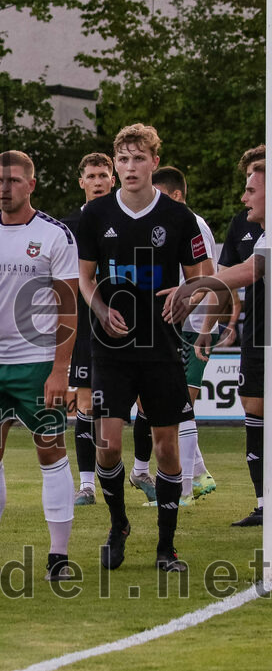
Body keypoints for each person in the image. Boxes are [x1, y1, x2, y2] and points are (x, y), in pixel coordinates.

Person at [78, 124, 209, 573]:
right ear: (115, 164)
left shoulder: (179, 217)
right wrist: (100, 309)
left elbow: (203, 276)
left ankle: (166, 548)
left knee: (167, 449)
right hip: (111, 348)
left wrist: (188, 296)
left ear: (154, 162)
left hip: (161, 348)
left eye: (139, 158)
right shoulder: (96, 215)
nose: (130, 167)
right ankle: (118, 525)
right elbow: (85, 278)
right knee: (107, 445)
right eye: (123, 159)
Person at [0, 151, 79, 581]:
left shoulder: (55, 235)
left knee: (50, 451)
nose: (3, 188)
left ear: (31, 184)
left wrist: (60, 371)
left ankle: (58, 557)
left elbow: (69, 307)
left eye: (11, 180)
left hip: (38, 364)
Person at [170, 150, 266, 527]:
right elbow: (237, 274)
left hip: (253, 332)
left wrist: (192, 287)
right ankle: (263, 503)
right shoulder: (252, 230)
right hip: (258, 334)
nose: (243, 197)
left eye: (251, 189)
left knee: (185, 401)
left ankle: (192, 481)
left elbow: (247, 272)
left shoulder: (195, 224)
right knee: (253, 407)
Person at [145, 166, 218, 504]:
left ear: (176, 195)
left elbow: (210, 277)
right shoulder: (175, 223)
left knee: (179, 407)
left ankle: (185, 488)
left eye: (160, 196)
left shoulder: (193, 224)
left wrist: (199, 322)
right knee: (170, 404)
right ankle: (199, 474)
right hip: (178, 326)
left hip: (193, 327)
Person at [61, 153, 116, 506]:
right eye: (91, 176)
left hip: (125, 324)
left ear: (113, 179)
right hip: (85, 327)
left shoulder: (126, 217)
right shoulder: (67, 227)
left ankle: (142, 470)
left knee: (132, 403)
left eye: (103, 175)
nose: (97, 182)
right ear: (81, 181)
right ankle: (86, 486)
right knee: (85, 402)